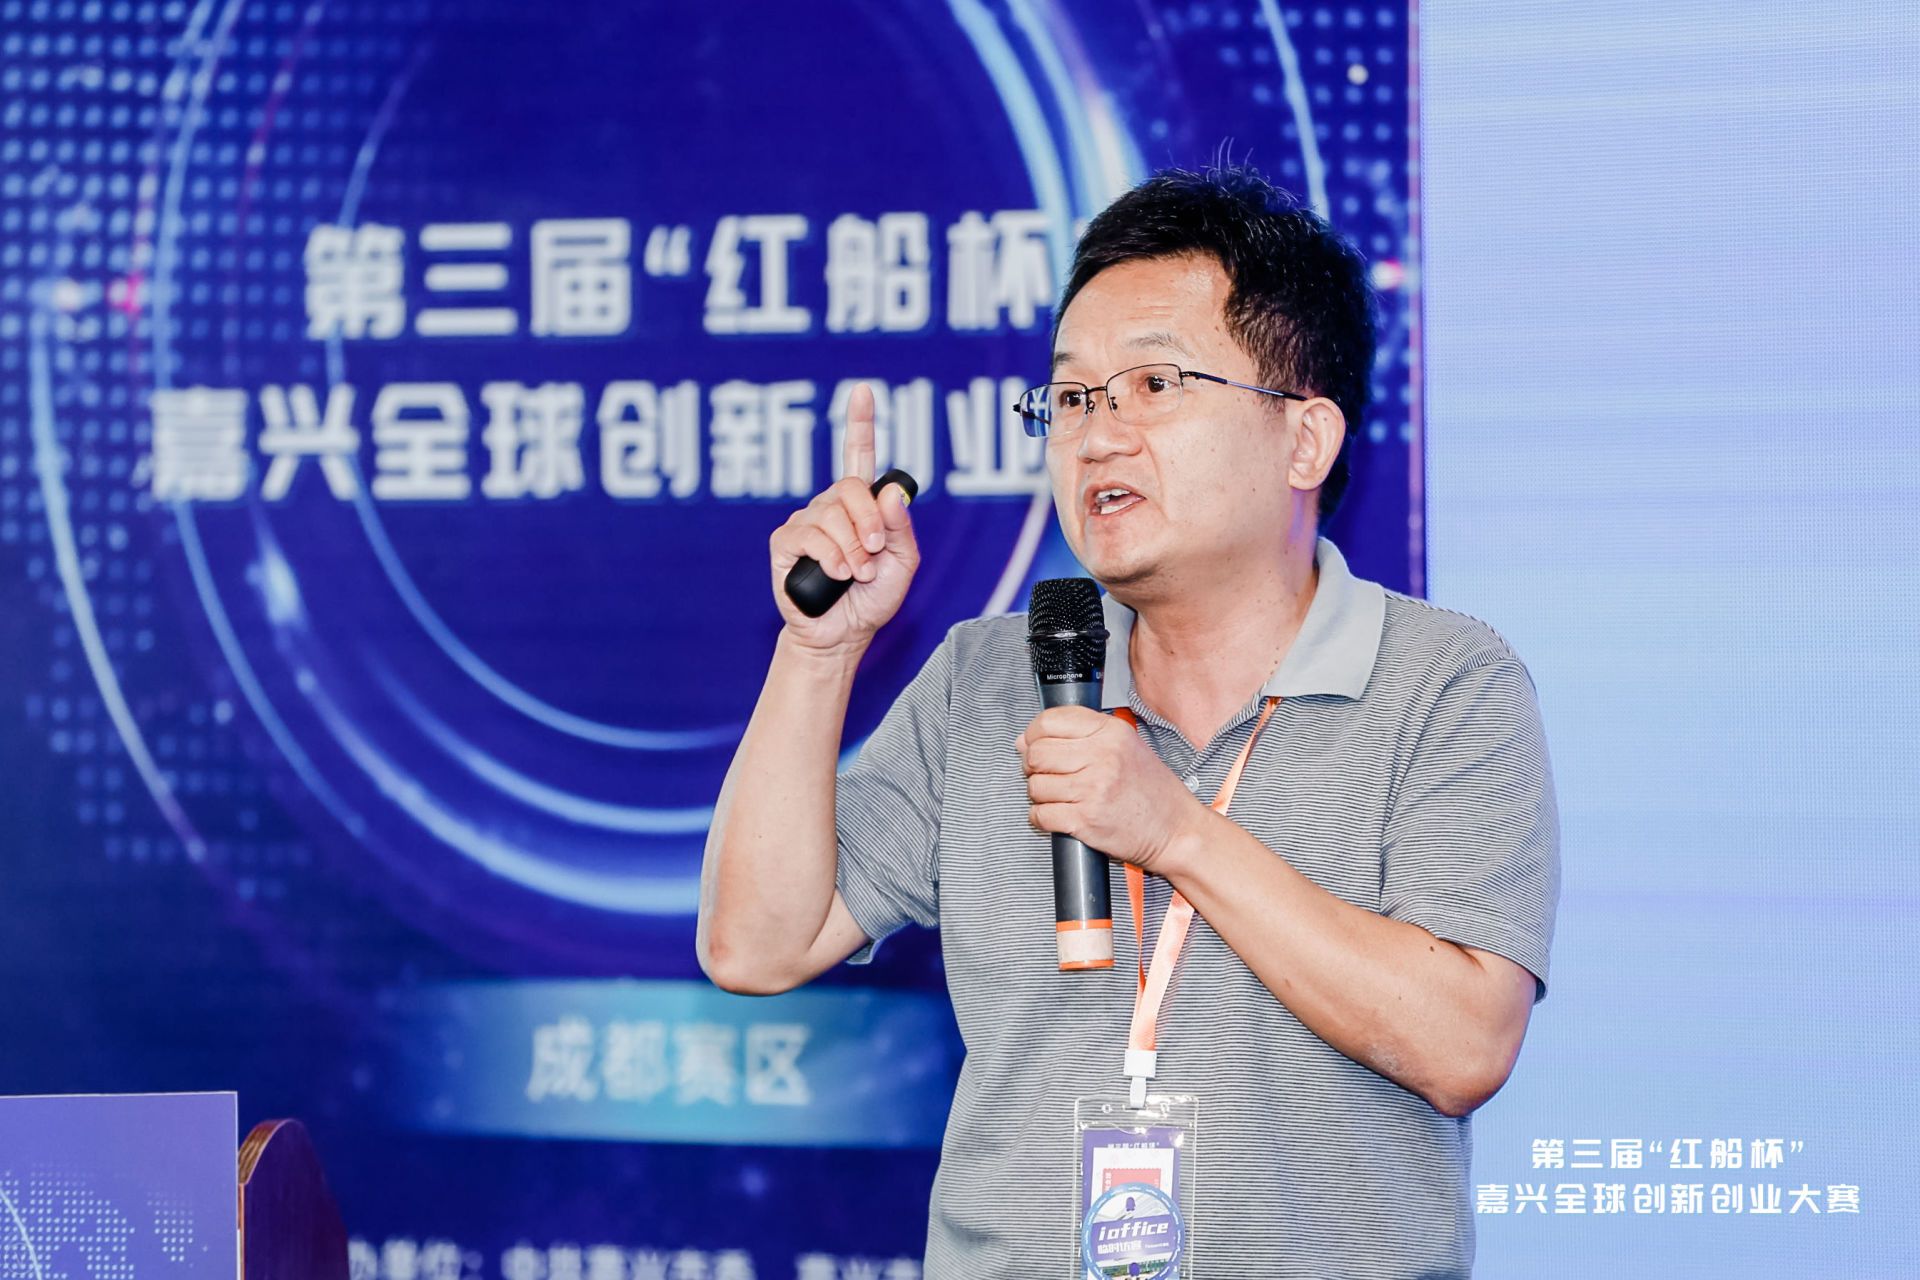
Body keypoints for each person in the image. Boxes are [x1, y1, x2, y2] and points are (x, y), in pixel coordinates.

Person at [698, 164, 1559, 1279]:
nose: (1097, 436)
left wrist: (1176, 832)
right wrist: (819, 651)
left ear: (1305, 439)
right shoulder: (986, 678)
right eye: (1071, 398)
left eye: (1154, 384)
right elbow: (755, 943)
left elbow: (1462, 1042)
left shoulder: (1445, 682)